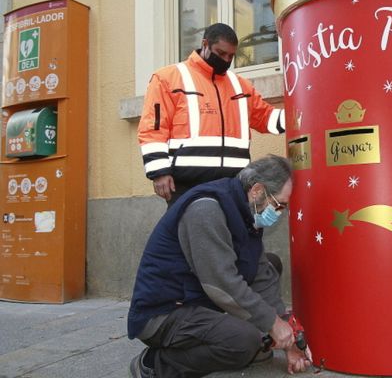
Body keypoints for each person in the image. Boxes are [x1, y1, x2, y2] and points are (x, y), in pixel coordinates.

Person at [127, 155, 312, 377]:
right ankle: (155, 364)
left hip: (198, 298)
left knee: (271, 263)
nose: (279, 212)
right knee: (243, 341)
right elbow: (221, 284)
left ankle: (248, 344)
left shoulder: (247, 209)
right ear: (257, 190)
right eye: (279, 204)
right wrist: (271, 324)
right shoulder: (206, 209)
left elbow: (261, 272)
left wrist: (286, 328)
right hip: (164, 312)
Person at [138, 23, 286, 206]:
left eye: (231, 56)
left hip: (234, 184)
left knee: (231, 235)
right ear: (205, 44)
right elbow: (153, 128)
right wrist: (159, 172)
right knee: (192, 234)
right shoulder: (167, 78)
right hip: (186, 184)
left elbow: (266, 118)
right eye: (220, 53)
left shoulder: (240, 85)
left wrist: (299, 116)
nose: (225, 60)